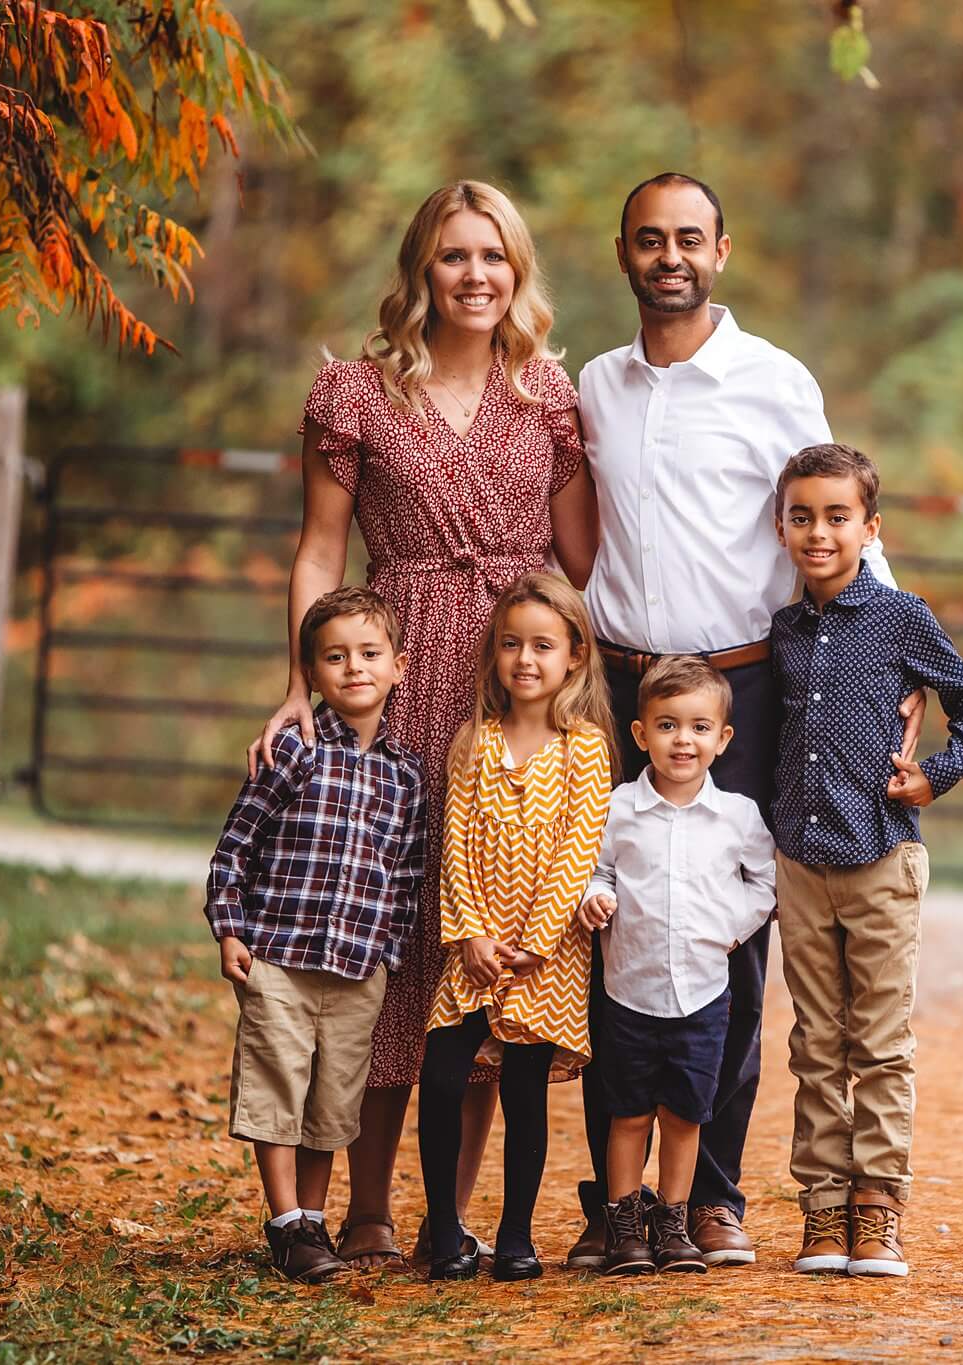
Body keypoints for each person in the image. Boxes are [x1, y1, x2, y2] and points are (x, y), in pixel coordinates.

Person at [568, 171, 921, 1269]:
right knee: (612, 926)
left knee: (730, 932)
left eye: (688, 239)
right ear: (621, 252)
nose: (667, 256)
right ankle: (617, 1204)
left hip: (746, 690)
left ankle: (709, 1194)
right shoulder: (593, 384)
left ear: (722, 249)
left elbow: (833, 508)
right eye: (647, 240)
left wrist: (892, 665)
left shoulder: (772, 379)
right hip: (621, 686)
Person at [250, 181, 598, 1268]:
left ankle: (453, 1210)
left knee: (484, 930)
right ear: (421, 270)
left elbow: (582, 561)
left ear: (518, 270)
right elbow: (318, 548)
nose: (476, 276)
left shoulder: (546, 393)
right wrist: (300, 685)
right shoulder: (354, 393)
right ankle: (364, 1207)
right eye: (454, 256)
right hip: (390, 672)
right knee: (388, 932)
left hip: (510, 682)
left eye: (494, 256)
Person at [769, 443, 963, 1278]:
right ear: (783, 526)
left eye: (837, 517)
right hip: (801, 859)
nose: (819, 532)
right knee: (815, 1039)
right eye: (803, 517)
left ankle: (879, 1212)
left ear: (871, 527)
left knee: (882, 1041)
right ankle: (824, 1210)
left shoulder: (902, 617)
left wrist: (934, 775)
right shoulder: (783, 629)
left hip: (880, 857)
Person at [204, 587, 428, 1283]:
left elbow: (407, 874)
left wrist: (388, 954)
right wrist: (229, 929)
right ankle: (285, 1223)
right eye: (335, 656)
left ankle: (314, 1218)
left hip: (359, 968)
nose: (354, 668)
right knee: (277, 1084)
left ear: (400, 666)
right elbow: (234, 848)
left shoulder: (407, 774)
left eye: (369, 654)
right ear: (313, 670)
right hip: (280, 955)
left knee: (332, 1099)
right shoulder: (293, 752)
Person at [415, 573, 614, 1282]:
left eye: (542, 645)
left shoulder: (584, 748)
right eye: (510, 644)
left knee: (524, 1095)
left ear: (574, 657)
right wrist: (469, 935)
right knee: (440, 1077)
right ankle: (444, 1231)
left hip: (546, 956)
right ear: (494, 655)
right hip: (473, 952)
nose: (525, 659)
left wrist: (533, 940)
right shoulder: (474, 741)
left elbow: (577, 849)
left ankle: (516, 1236)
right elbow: (455, 844)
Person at [575, 655, 776, 1277]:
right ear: (640, 736)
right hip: (629, 992)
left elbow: (764, 886)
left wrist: (728, 931)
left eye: (697, 727)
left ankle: (673, 1219)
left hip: (702, 994)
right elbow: (596, 870)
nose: (682, 740)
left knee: (686, 1114)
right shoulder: (618, 810)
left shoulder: (737, 816)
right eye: (666, 725)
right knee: (628, 1113)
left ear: (723, 738)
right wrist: (594, 897)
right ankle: (622, 1220)